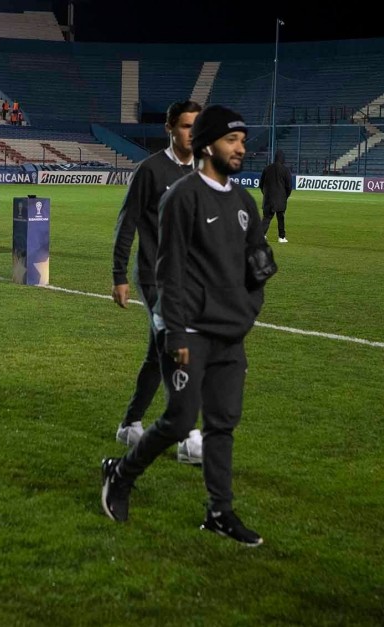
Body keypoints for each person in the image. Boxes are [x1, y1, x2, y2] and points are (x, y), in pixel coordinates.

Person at [101, 105, 276, 547]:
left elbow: (259, 265)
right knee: (180, 421)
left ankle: (220, 512)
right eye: (232, 140)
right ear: (208, 143)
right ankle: (120, 476)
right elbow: (169, 270)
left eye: (242, 140)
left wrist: (247, 311)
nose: (241, 148)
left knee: (222, 424)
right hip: (189, 332)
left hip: (229, 334)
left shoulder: (244, 202)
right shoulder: (181, 196)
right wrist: (175, 332)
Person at [111, 100, 204, 464]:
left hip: (186, 280)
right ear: (170, 129)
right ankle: (187, 434)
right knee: (175, 346)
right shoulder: (150, 170)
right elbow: (126, 223)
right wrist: (119, 275)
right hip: (152, 276)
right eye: (185, 126)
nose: (191, 133)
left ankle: (130, 423)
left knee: (156, 354)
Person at [259, 149, 292, 243]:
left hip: (268, 198)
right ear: (283, 158)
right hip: (281, 199)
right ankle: (281, 237)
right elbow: (289, 186)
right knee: (281, 218)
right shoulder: (285, 170)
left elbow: (261, 184)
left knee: (266, 218)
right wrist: (285, 196)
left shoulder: (267, 168)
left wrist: (265, 194)